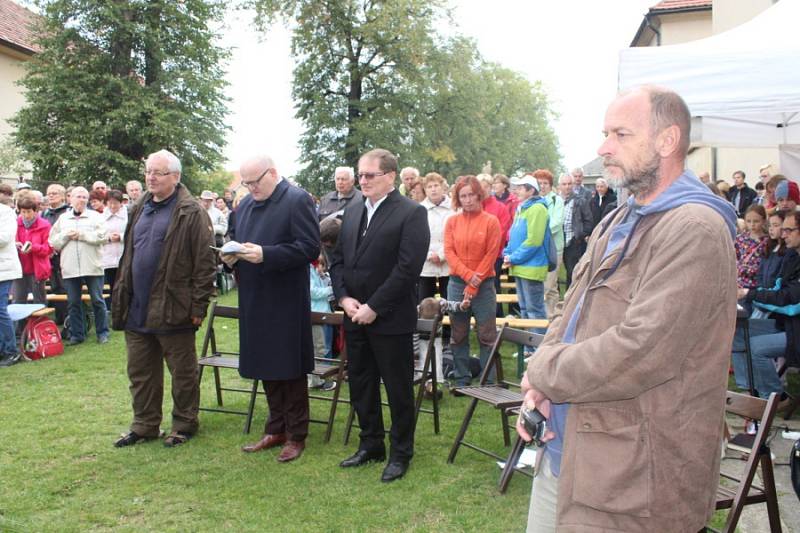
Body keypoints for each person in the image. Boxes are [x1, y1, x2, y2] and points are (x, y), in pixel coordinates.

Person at [518, 86, 738, 532]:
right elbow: (570, 309)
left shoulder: (695, 228)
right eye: (605, 133)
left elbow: (640, 351)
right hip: (568, 449)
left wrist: (542, 371)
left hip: (634, 480)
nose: (603, 148)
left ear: (666, 141)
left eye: (620, 134)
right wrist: (543, 385)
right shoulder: (619, 218)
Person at [329, 148, 429, 483]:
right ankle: (370, 443)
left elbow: (407, 269)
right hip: (354, 315)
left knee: (398, 388)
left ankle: (401, 452)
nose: (363, 181)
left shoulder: (411, 213)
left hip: (390, 319)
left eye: (370, 175)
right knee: (361, 384)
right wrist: (344, 298)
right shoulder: (354, 207)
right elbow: (339, 258)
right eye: (361, 175)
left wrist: (374, 307)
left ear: (390, 176)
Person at [111, 150, 216, 448]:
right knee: (141, 372)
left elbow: (204, 264)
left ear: (176, 177)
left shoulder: (191, 212)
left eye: (158, 172)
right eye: (148, 172)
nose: (151, 177)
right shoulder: (139, 206)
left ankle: (184, 423)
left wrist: (198, 306)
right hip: (138, 307)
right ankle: (144, 425)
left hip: (174, 307)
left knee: (182, 373)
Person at [224, 155, 320, 462]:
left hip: (285, 298)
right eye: (246, 183)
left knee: (289, 367)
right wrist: (231, 256)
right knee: (265, 364)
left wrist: (266, 254)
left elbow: (309, 247)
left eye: (255, 181)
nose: (250, 188)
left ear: (273, 173)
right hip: (254, 295)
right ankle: (275, 427)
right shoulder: (246, 205)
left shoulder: (296, 200)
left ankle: (296, 434)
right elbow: (237, 241)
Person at [737, 210, 800, 406]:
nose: (783, 233)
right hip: (786, 324)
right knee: (737, 329)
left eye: (789, 230)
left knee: (756, 347)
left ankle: (773, 398)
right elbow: (779, 290)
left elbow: (789, 300)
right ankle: (749, 391)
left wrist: (749, 294)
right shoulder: (792, 256)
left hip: (795, 330)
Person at [443, 176, 502, 386]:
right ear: (458, 199)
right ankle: (461, 378)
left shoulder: (491, 221)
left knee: (486, 334)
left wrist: (475, 282)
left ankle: (488, 381)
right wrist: (468, 277)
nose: (467, 200)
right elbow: (449, 252)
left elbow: (492, 253)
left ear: (479, 194)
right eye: (463, 196)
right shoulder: (452, 221)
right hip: (457, 283)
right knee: (458, 334)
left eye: (471, 195)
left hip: (484, 284)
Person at [48, 186, 109, 345]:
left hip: (92, 265)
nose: (81, 200)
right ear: (71, 199)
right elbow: (53, 242)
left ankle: (102, 333)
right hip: (70, 266)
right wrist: (66, 235)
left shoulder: (96, 217)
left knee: (97, 300)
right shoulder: (63, 219)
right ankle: (77, 334)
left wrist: (82, 235)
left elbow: (103, 237)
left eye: (84, 197)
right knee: (73, 302)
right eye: (78, 196)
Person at [502, 175, 549, 340]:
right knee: (524, 309)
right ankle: (529, 346)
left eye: (521, 187)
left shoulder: (538, 209)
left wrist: (513, 257)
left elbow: (534, 241)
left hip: (532, 267)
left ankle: (540, 347)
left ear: (531, 190)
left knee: (534, 309)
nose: (517, 190)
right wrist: (507, 253)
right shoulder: (522, 208)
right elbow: (514, 236)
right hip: (520, 266)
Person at [419, 172, 453, 348]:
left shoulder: (453, 209)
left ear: (443, 187)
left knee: (448, 300)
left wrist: (441, 255)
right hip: (426, 264)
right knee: (425, 301)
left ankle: (448, 336)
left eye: (436, 186)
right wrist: (429, 255)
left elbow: (454, 235)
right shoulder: (419, 209)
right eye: (429, 187)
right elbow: (417, 236)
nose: (433, 189)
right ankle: (426, 335)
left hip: (448, 262)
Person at [534, 169, 564, 319]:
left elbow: (557, 223)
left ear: (550, 185)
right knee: (550, 287)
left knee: (548, 284)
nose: (543, 186)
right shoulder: (534, 201)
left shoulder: (556, 200)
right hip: (538, 249)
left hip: (554, 249)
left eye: (545, 183)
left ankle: (548, 317)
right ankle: (553, 317)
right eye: (540, 183)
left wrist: (539, 233)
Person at [12, 196, 52, 304]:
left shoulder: (45, 225)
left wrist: (33, 247)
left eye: (29, 212)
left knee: (39, 302)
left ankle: (40, 321)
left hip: (37, 269)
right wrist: (15, 245)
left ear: (35, 211)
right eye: (23, 212)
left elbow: (48, 249)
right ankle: (20, 322)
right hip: (19, 269)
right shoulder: (14, 224)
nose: (26, 215)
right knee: (17, 301)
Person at [558, 173, 593, 289]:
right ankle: (554, 301)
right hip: (556, 242)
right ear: (559, 186)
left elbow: (589, 222)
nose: (567, 187)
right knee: (553, 275)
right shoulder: (554, 201)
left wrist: (579, 235)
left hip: (573, 243)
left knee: (571, 272)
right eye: (564, 184)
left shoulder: (580, 201)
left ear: (573, 185)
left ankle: (569, 300)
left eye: (569, 184)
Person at [43, 184, 70, 325]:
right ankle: (59, 318)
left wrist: (56, 247)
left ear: (62, 196)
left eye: (54, 193)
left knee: (66, 287)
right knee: (54, 287)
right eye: (49, 193)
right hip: (49, 257)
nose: (51, 195)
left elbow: (67, 233)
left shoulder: (67, 213)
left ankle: (69, 319)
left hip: (64, 255)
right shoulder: (45, 214)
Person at [0, 201, 22, 367]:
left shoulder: (6, 212)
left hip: (4, 268)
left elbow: (4, 238)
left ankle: (11, 351)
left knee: (0, 309)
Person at [735, 204, 768, 315]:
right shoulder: (740, 239)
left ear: (763, 221)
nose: (752, 225)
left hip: (757, 286)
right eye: (749, 221)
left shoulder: (768, 241)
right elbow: (735, 257)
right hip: (740, 284)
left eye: (756, 221)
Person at [101, 190, 127, 310]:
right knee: (108, 286)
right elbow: (97, 236)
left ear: (121, 203)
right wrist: (109, 238)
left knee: (123, 286)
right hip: (107, 258)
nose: (112, 206)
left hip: (124, 256)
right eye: (110, 203)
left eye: (115, 203)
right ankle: (109, 310)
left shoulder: (128, 216)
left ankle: (123, 309)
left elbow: (133, 233)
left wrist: (121, 237)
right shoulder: (101, 218)